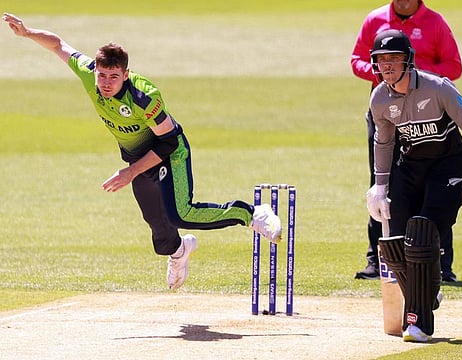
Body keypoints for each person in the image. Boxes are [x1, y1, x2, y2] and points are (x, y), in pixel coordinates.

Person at [2, 12, 282, 290]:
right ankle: (180, 251)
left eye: (114, 76)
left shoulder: (144, 96)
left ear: (126, 74)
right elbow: (58, 44)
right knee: (160, 230)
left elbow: (169, 142)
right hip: (138, 159)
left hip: (170, 154)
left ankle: (252, 214)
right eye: (102, 75)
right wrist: (27, 33)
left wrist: (130, 172)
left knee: (179, 214)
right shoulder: (90, 74)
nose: (107, 82)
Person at [366, 29, 462, 342]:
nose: (387, 65)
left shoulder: (437, 87)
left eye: (393, 58)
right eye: (381, 59)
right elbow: (384, 141)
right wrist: (379, 186)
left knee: (423, 231)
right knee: (395, 243)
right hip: (411, 167)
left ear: (408, 60)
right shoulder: (379, 98)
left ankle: (416, 323)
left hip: (448, 165)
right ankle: (428, 294)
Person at [350, 0, 462, 281]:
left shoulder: (435, 22)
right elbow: (357, 60)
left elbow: (454, 66)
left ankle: (440, 263)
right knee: (381, 185)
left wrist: (412, 73)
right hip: (387, 111)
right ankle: (379, 260)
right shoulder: (374, 19)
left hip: (427, 110)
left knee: (436, 186)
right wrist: (386, 71)